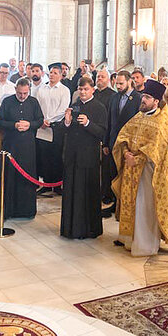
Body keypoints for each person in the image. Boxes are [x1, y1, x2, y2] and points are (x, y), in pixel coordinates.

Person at [113, 79, 168, 257]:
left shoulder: (161, 122)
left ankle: (145, 245)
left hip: (149, 174)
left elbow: (157, 148)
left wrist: (136, 159)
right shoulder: (139, 116)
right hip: (131, 170)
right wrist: (126, 153)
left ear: (156, 101)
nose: (143, 99)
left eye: (147, 97)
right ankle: (129, 239)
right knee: (132, 205)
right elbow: (124, 135)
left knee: (145, 207)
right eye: (143, 96)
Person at [60, 75, 109, 240]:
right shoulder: (74, 106)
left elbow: (102, 132)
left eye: (86, 89)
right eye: (80, 89)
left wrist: (88, 124)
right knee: (72, 192)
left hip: (88, 158)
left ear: (92, 90)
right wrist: (66, 122)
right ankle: (70, 228)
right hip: (72, 156)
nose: (82, 92)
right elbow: (64, 130)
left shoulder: (100, 108)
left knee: (86, 193)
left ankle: (88, 229)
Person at [0, 78, 45, 220]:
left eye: (25, 93)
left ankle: (27, 211)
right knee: (10, 177)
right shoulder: (8, 101)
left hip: (28, 146)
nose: (22, 96)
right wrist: (14, 125)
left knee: (27, 177)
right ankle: (8, 211)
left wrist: (30, 125)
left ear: (28, 90)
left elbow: (40, 120)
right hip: (11, 145)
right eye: (20, 93)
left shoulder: (33, 102)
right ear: (15, 89)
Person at [104, 70, 141, 214]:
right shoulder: (114, 98)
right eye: (116, 83)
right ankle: (115, 203)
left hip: (128, 145)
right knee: (114, 174)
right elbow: (109, 121)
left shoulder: (138, 99)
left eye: (121, 83)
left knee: (126, 176)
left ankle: (125, 206)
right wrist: (106, 142)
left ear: (129, 81)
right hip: (114, 142)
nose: (118, 86)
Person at [34, 63, 71, 195]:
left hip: (56, 127)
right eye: (50, 72)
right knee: (44, 155)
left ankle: (57, 184)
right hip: (42, 126)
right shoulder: (42, 89)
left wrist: (49, 120)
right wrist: (41, 120)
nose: (52, 75)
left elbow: (63, 109)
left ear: (60, 75)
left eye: (55, 73)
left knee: (56, 155)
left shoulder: (64, 90)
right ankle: (47, 183)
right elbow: (37, 105)